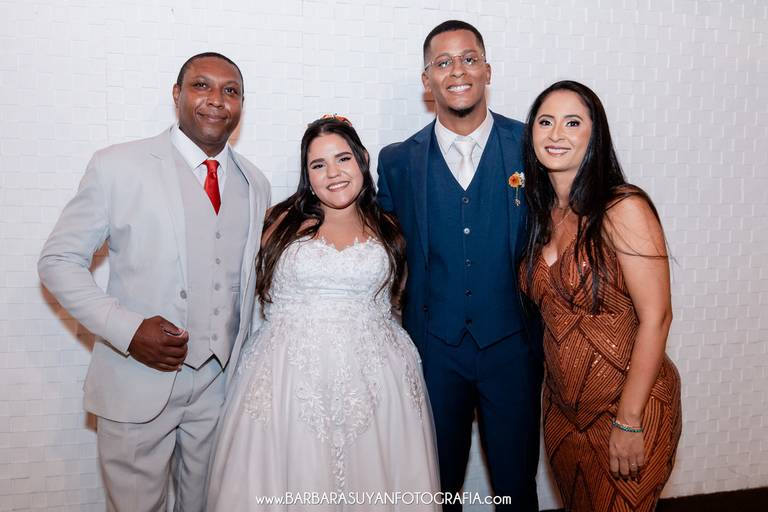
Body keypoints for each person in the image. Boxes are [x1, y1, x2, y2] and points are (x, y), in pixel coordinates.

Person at [37, 52, 270, 512]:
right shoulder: (117, 165)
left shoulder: (255, 182)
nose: (216, 100)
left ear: (242, 105)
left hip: (220, 388)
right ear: (176, 94)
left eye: (231, 91)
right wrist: (129, 330)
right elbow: (58, 261)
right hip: (135, 380)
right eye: (201, 85)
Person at [206, 116, 440, 511]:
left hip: (376, 378)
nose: (333, 173)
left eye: (343, 158)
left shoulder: (389, 227)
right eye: (318, 164)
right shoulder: (279, 223)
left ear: (362, 159)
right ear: (307, 176)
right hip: (290, 378)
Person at [376, 20, 543, 510]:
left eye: (469, 59)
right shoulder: (398, 161)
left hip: (512, 348)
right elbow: (381, 247)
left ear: (487, 70)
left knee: (515, 488)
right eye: (443, 62)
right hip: (433, 352)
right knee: (436, 486)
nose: (458, 71)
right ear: (426, 79)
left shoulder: (530, 145)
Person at [519, 80, 682, 512]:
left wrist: (628, 420)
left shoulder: (621, 208)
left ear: (595, 134)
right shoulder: (539, 214)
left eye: (573, 123)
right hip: (562, 415)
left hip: (629, 407)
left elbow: (657, 317)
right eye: (545, 122)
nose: (557, 134)